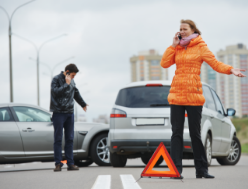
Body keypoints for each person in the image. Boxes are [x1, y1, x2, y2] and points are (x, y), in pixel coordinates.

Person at [160, 19, 246, 179]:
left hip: (194, 97)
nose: (182, 31)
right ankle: (176, 170)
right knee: (176, 133)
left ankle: (201, 170)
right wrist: (172, 45)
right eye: (180, 29)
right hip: (177, 96)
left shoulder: (200, 46)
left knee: (195, 134)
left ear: (193, 29)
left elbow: (215, 63)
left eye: (185, 28)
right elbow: (164, 64)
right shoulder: (177, 47)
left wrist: (230, 69)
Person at [50, 64, 88, 172]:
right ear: (67, 72)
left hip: (69, 113)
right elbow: (55, 92)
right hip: (58, 113)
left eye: (74, 76)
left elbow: (75, 92)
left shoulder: (72, 81)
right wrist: (66, 84)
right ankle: (58, 164)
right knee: (58, 139)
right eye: (72, 75)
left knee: (70, 139)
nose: (73, 77)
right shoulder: (56, 79)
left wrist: (83, 104)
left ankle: (70, 164)